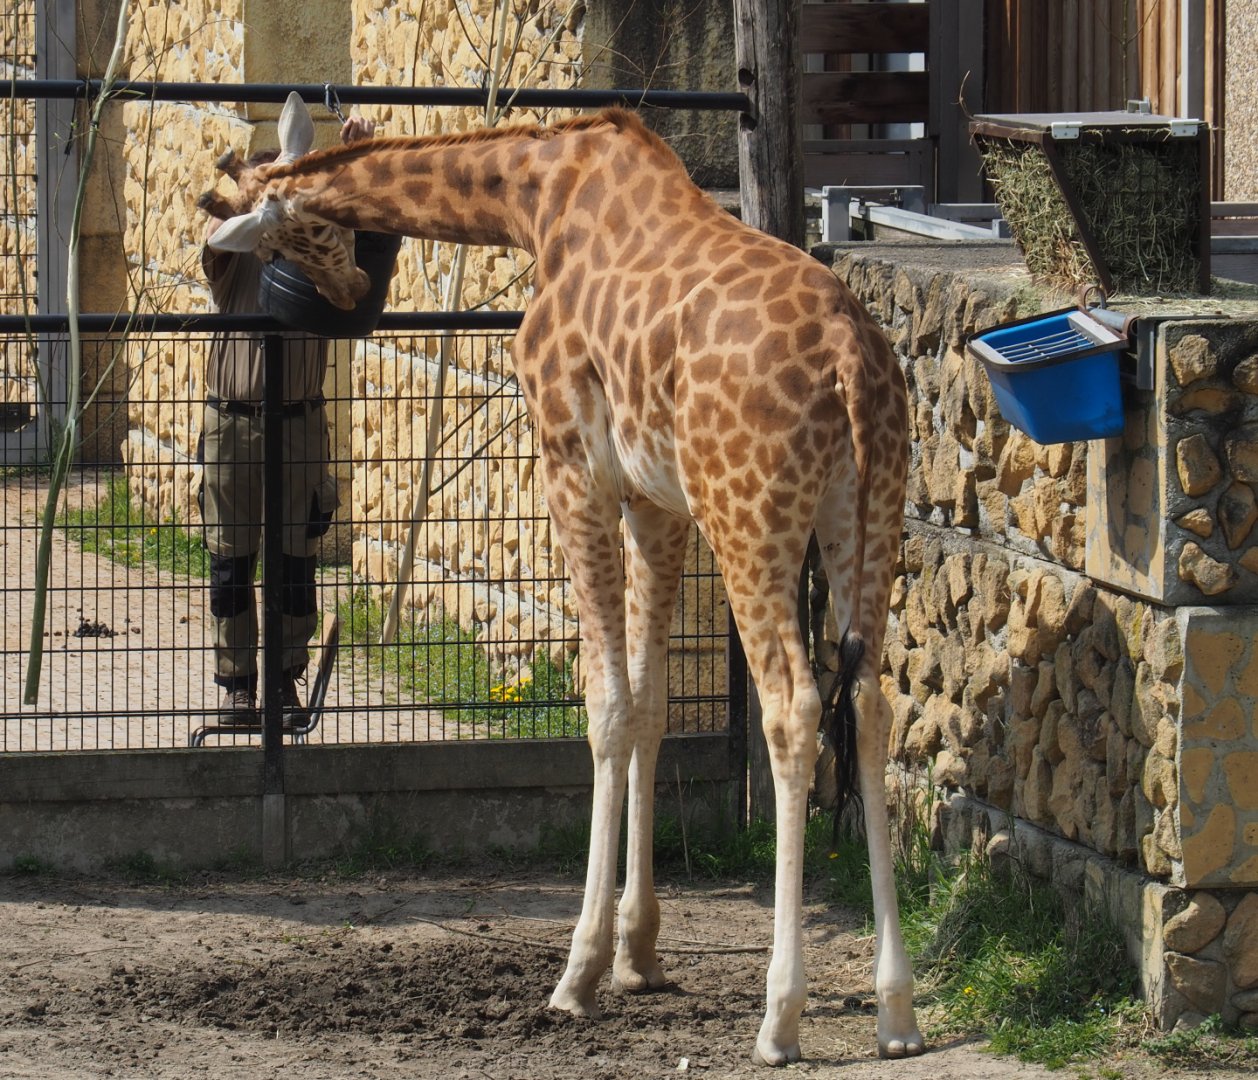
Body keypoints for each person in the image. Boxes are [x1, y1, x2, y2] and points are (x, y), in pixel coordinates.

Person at [198, 113, 375, 725]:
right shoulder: (237, 244)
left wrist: (356, 156)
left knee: (296, 561)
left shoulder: (324, 248)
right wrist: (257, 202)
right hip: (233, 425)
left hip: (299, 422)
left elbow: (367, 230)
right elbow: (219, 236)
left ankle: (284, 683)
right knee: (231, 560)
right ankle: (238, 685)